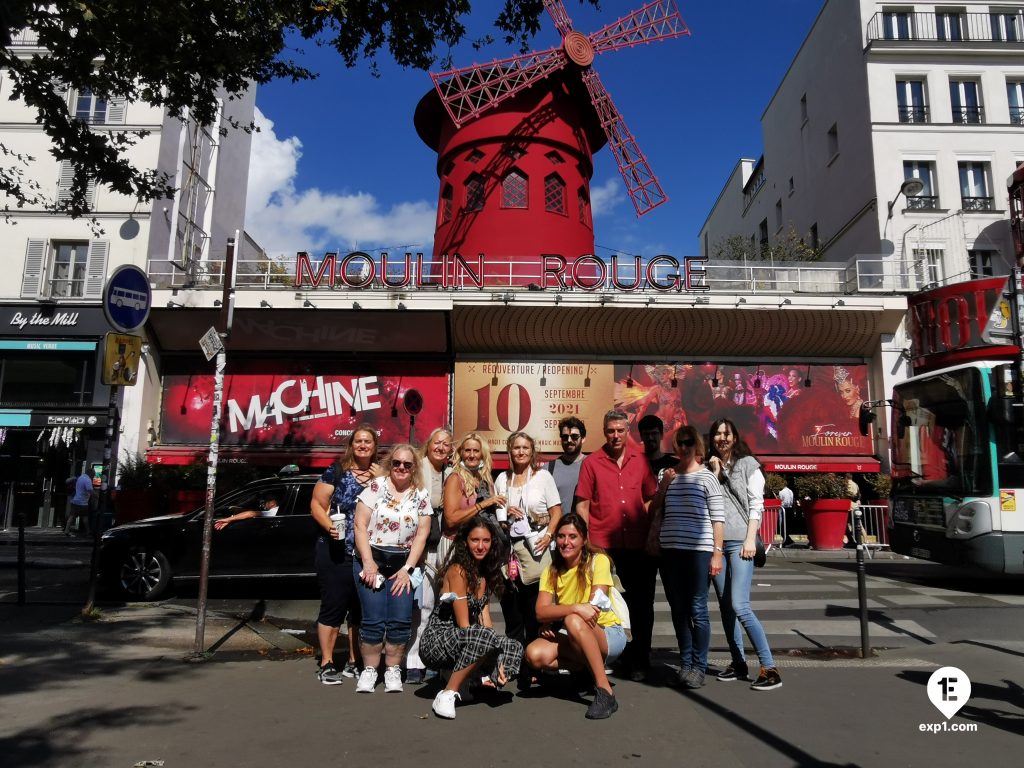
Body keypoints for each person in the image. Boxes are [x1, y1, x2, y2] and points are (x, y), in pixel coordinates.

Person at [575, 409, 657, 681]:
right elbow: (582, 505)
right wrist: (586, 544)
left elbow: (649, 500)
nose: (615, 435)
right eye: (611, 431)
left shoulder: (641, 461)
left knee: (642, 604)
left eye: (620, 430)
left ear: (627, 431)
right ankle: (607, 656)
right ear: (604, 431)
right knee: (603, 606)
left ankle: (639, 659)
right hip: (603, 549)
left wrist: (652, 532)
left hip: (638, 545)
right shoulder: (592, 463)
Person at [525, 513, 627, 720]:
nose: (566, 542)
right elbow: (540, 611)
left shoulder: (598, 561)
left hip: (608, 635)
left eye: (572, 536)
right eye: (561, 536)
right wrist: (575, 608)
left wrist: (568, 612)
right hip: (576, 631)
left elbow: (593, 609)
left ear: (583, 540)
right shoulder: (551, 571)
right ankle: (584, 668)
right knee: (534, 654)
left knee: (573, 619)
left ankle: (605, 691)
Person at [706, 418, 783, 691]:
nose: (722, 438)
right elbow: (710, 503)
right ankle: (738, 662)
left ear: (735, 438)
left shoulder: (748, 464)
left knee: (740, 605)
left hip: (740, 541)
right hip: (716, 544)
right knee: (726, 607)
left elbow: (756, 504)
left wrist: (750, 538)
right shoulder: (709, 467)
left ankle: (769, 667)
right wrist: (715, 475)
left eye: (727, 434)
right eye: (717, 434)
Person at [420, 515, 522, 719]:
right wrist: (492, 652)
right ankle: (448, 692)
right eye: (475, 540)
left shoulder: (483, 576)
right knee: (482, 637)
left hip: (465, 638)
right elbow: (464, 625)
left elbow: (487, 623)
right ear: (465, 542)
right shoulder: (458, 570)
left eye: (486, 540)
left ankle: (476, 679)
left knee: (513, 646)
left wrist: (500, 659)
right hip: (438, 641)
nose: (481, 546)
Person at [648, 425, 724, 689]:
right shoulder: (665, 474)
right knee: (678, 610)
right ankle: (686, 662)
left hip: (698, 552)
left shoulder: (707, 478)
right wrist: (665, 484)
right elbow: (655, 508)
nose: (685, 446)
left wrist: (717, 554)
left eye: (690, 442)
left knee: (698, 610)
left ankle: (699, 666)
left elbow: (718, 519)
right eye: (680, 442)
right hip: (670, 551)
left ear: (698, 445)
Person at [352, 443, 432, 693]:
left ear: (414, 468)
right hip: (372, 559)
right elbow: (359, 526)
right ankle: (369, 670)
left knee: (399, 620)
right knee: (373, 620)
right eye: (396, 462)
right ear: (390, 463)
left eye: (407, 464)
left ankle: (392, 670)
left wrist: (408, 568)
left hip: (403, 565)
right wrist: (368, 562)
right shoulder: (375, 488)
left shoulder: (421, 495)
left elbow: (422, 534)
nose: (401, 468)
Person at [309, 426, 380, 685]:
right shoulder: (337, 471)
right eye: (359, 441)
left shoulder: (381, 473)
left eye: (368, 441)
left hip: (367, 552)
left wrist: (381, 477)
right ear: (352, 444)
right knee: (333, 606)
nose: (363, 445)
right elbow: (316, 503)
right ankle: (327, 662)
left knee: (360, 610)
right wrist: (328, 525)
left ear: (375, 446)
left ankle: (354, 661)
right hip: (335, 550)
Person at [494, 431, 562, 649]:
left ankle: (536, 662)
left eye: (525, 447)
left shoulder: (543, 477)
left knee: (535, 611)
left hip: (537, 550)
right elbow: (498, 515)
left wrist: (550, 534)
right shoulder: (502, 479)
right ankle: (515, 661)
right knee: (512, 612)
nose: (521, 451)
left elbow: (557, 512)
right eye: (516, 447)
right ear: (510, 451)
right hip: (510, 553)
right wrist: (507, 513)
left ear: (532, 451)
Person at [405, 427, 453, 685]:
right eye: (437, 442)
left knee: (438, 607)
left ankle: (433, 659)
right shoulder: (418, 467)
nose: (441, 447)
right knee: (421, 607)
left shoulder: (449, 471)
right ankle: (414, 662)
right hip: (421, 547)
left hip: (443, 546)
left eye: (446, 444)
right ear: (429, 443)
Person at [441, 433, 506, 562]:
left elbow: (489, 512)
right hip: (456, 544)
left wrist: (506, 511)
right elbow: (451, 519)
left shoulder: (485, 479)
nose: (471, 455)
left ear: (482, 454)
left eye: (476, 451)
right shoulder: (455, 479)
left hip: (478, 547)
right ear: (461, 453)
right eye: (467, 451)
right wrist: (482, 504)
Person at [548, 417, 586, 514]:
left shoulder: (594, 465)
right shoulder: (548, 469)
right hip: (558, 528)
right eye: (565, 437)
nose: (569, 440)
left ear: (583, 438)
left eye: (574, 436)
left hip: (586, 528)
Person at [214, 494, 280, 529]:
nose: (264, 503)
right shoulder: (277, 510)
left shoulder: (273, 512)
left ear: (273, 503)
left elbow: (252, 513)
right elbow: (255, 512)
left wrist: (229, 519)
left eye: (266, 501)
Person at [64, 466, 94, 537]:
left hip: (75, 501)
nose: (93, 477)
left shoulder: (80, 478)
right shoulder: (87, 480)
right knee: (85, 517)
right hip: (83, 502)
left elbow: (67, 481)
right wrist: (97, 496)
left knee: (72, 516)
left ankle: (66, 530)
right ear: (91, 474)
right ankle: (88, 531)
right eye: (93, 475)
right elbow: (90, 490)